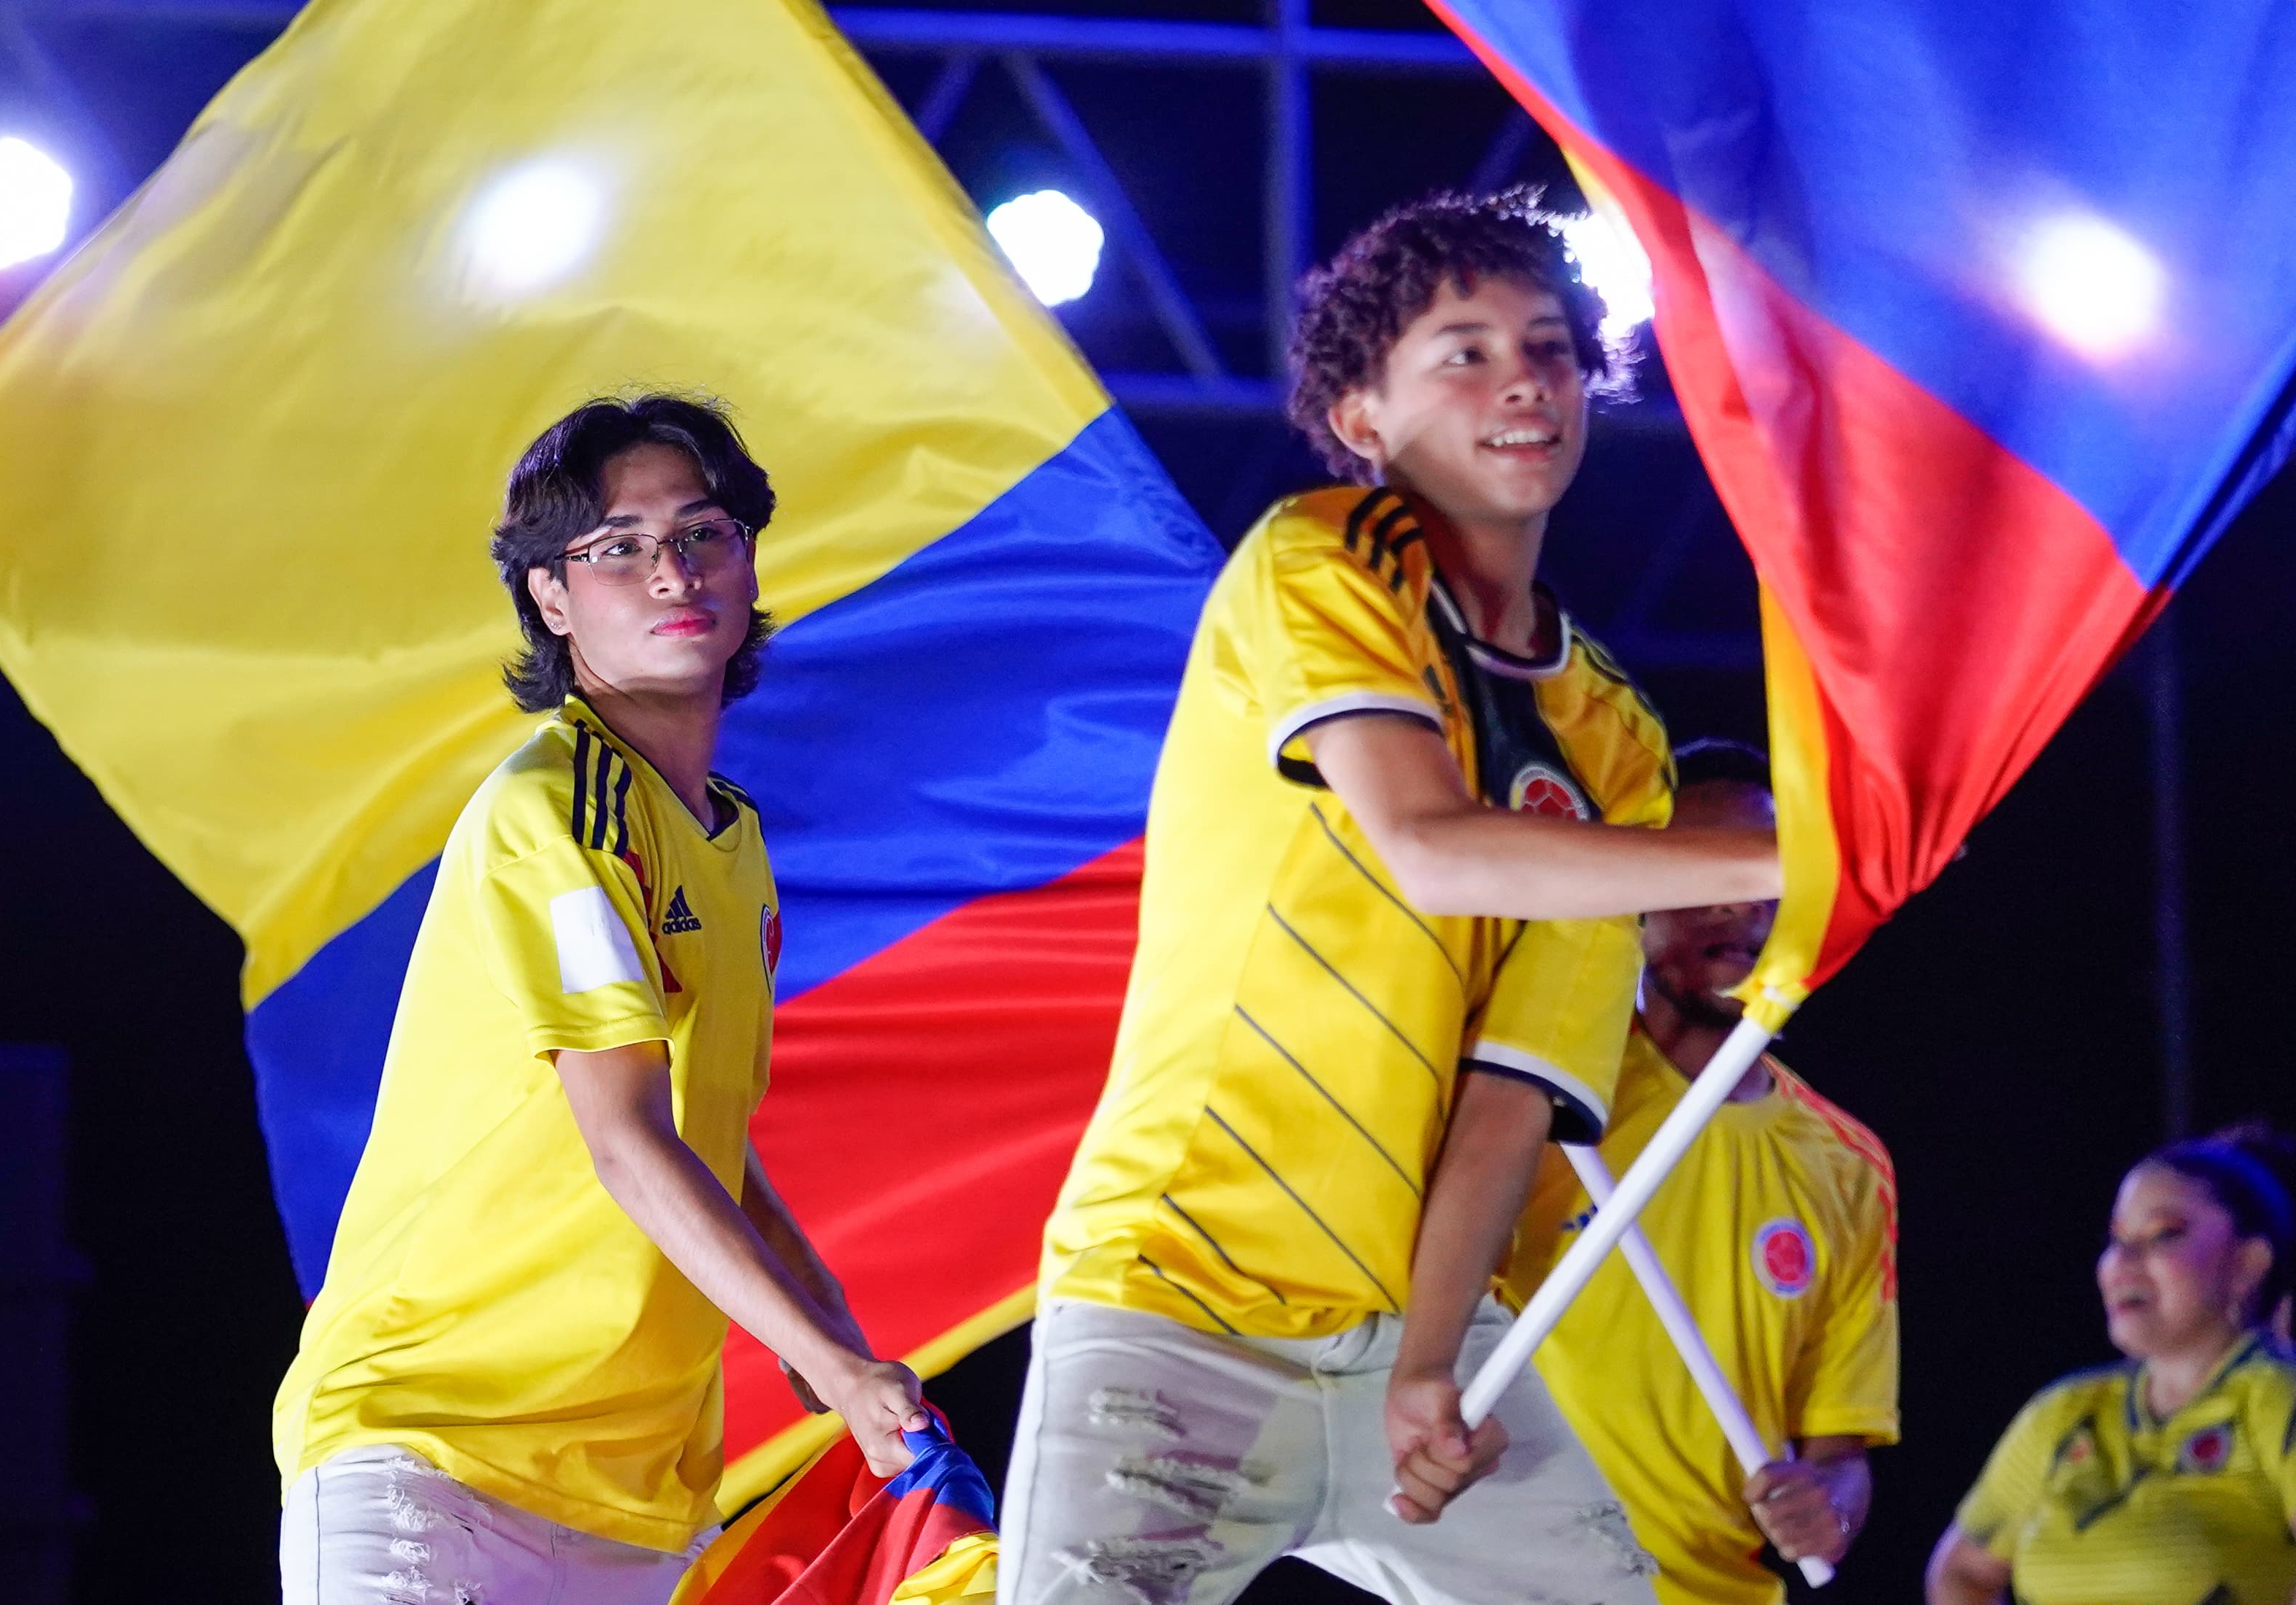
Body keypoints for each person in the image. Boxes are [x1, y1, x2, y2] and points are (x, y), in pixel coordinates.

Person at [1003, 192, 1781, 1605]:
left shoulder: (1614, 733)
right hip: (1176, 1297)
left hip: (1414, 1330)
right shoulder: (1324, 555)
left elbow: (1511, 1085)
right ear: (1360, 415)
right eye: (1463, 353)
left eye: (1548, 347)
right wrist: (1788, 864)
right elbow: (1429, 843)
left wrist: (1427, 1362)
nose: (1522, 380)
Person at [273, 394, 927, 1604]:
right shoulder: (555, 812)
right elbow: (625, 1135)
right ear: (552, 597)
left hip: (640, 1504)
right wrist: (830, 1364)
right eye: (617, 546)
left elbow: (709, 1142)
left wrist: (837, 1338)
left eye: (702, 532)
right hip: (432, 1456)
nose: (673, 571)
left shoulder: (730, 837)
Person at [1504, 739, 1898, 1605]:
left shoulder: (1849, 1165)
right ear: (1635, 891)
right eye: (1703, 863)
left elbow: (1840, 1451)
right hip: (1507, 1581)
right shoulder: (1539, 1090)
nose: (1736, 899)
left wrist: (1827, 1507)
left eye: (1763, 872)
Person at [1926, 1125, 2296, 1605]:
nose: (2122, 1260)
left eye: (2163, 1234)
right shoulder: (2067, 1413)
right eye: (2116, 1239)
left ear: (2248, 1263)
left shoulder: (2274, 1397)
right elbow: (1961, 1573)